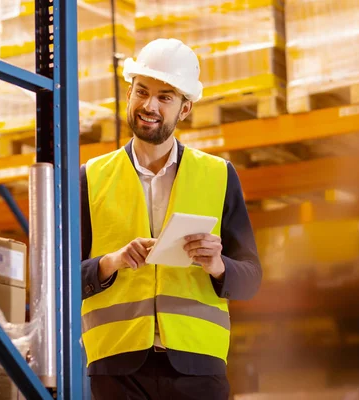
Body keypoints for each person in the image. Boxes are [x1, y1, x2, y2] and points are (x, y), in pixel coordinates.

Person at [80, 38, 262, 400]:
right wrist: (111, 262)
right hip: (116, 368)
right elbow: (60, 280)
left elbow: (251, 280)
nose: (149, 105)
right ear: (129, 94)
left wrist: (217, 266)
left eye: (165, 97)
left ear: (185, 108)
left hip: (198, 369)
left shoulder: (219, 175)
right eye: (141, 92)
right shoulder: (91, 177)